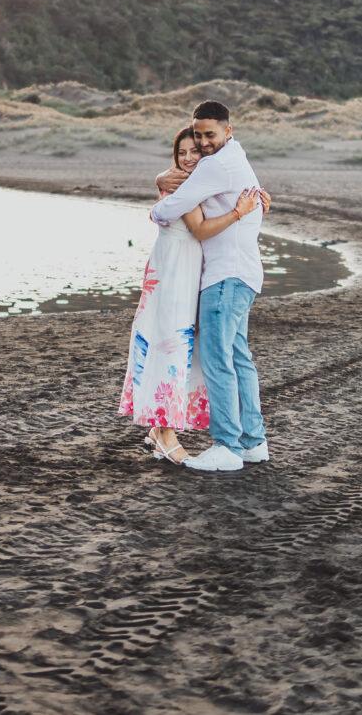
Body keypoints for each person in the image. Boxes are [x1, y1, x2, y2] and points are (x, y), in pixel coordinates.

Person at [121, 128, 260, 462]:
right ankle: (165, 433)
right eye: (181, 152)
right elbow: (194, 227)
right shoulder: (182, 186)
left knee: (185, 350)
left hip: (190, 274)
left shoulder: (201, 184)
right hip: (172, 274)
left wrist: (258, 200)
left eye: (194, 151)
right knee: (169, 345)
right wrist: (240, 212)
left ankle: (160, 431)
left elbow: (225, 193)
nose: (187, 158)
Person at [148, 101, 271, 474]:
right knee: (238, 359)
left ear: (228, 131)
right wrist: (161, 179)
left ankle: (227, 446)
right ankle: (253, 442)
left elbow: (171, 209)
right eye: (198, 135)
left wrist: (156, 203)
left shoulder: (216, 166)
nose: (203, 142)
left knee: (219, 361)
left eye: (209, 135)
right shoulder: (236, 158)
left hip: (224, 277)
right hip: (243, 274)